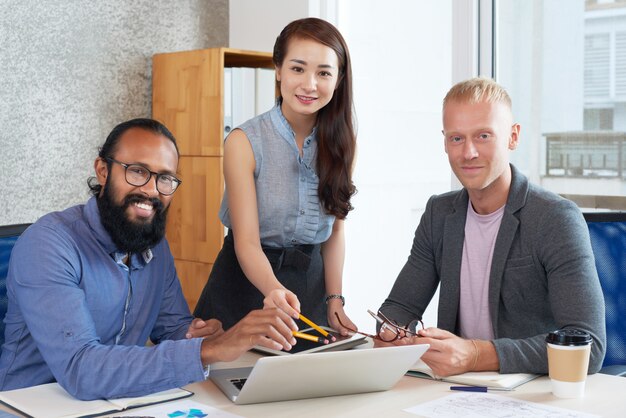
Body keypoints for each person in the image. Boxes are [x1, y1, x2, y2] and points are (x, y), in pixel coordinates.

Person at [0, 118, 299, 400]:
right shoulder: (49, 243)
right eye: (138, 171)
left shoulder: (153, 245)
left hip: (117, 403)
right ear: (103, 171)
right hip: (30, 406)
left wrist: (197, 335)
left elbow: (172, 328)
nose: (151, 190)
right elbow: (81, 368)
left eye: (165, 178)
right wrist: (207, 349)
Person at [375, 77, 606, 376]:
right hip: (455, 390)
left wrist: (476, 355)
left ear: (512, 137)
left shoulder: (555, 219)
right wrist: (396, 334)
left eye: (483, 136)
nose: (468, 152)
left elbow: (589, 345)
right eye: (456, 138)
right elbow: (398, 310)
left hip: (532, 392)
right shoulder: (438, 213)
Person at [193, 17, 357, 334]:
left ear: (338, 79)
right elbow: (247, 242)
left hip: (310, 289)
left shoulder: (345, 145)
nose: (310, 84)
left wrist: (334, 299)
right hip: (244, 285)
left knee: (307, 381)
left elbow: (334, 232)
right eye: (297, 69)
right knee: (233, 380)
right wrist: (273, 290)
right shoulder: (243, 142)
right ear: (278, 70)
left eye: (323, 72)